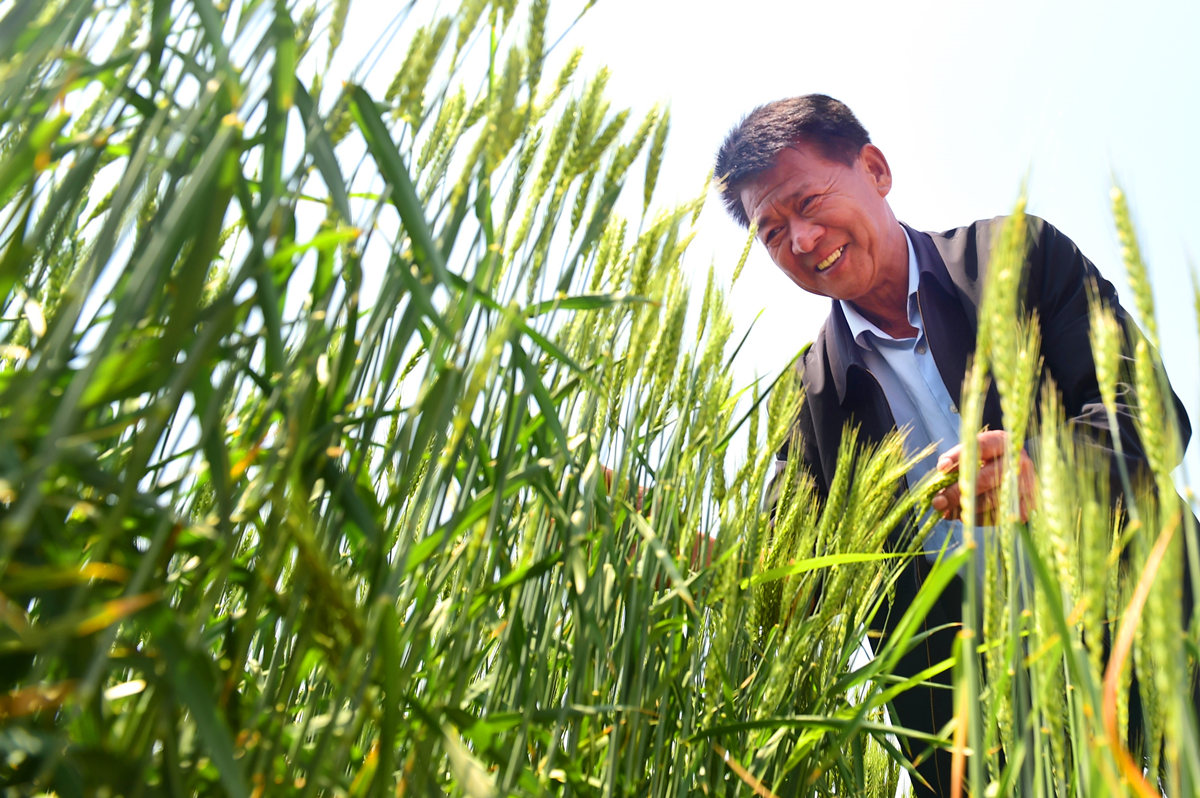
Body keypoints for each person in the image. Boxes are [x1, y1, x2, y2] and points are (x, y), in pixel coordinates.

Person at [713, 94, 1191, 796]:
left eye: (809, 202)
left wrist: (1043, 478)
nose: (804, 241)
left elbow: (1149, 414)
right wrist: (668, 556)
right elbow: (788, 589)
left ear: (875, 169)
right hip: (987, 738)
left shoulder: (1019, 255)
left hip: (1159, 634)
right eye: (773, 232)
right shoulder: (809, 404)